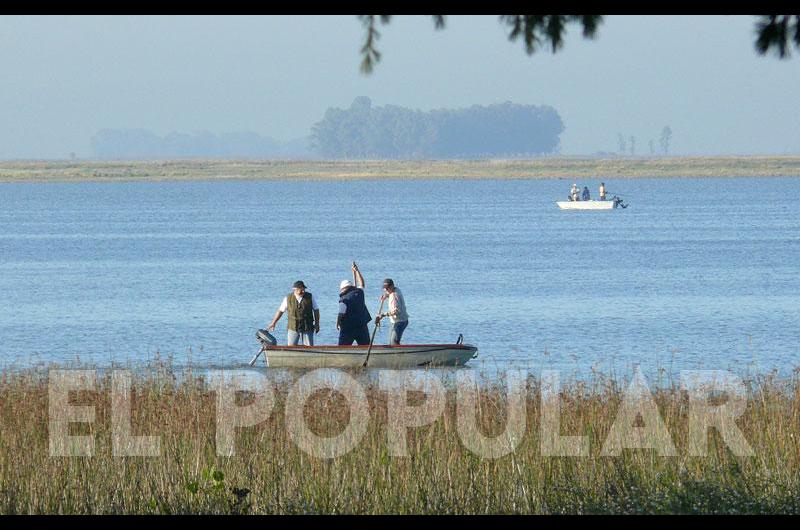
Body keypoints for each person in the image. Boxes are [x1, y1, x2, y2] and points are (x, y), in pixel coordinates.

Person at [267, 280, 320, 346]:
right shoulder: (288, 298)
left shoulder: (310, 296)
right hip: (293, 327)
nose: (303, 291)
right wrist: (273, 322)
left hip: (307, 326)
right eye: (301, 290)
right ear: (295, 290)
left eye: (304, 289)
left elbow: (316, 310)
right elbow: (280, 311)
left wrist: (317, 324)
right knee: (291, 347)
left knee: (309, 347)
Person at [337, 262, 372, 346]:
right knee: (365, 347)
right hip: (361, 325)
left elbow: (341, 313)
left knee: (343, 348)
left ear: (342, 289)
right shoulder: (359, 292)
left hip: (348, 328)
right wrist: (357, 271)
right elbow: (362, 284)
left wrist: (337, 322)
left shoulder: (344, 299)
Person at [375, 278, 409, 345]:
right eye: (384, 288)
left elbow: (396, 311)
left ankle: (399, 354)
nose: (385, 290)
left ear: (392, 286)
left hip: (400, 322)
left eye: (387, 288)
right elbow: (389, 293)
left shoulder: (394, 296)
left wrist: (383, 315)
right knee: (391, 342)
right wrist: (386, 295)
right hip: (396, 321)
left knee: (394, 342)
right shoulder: (395, 289)